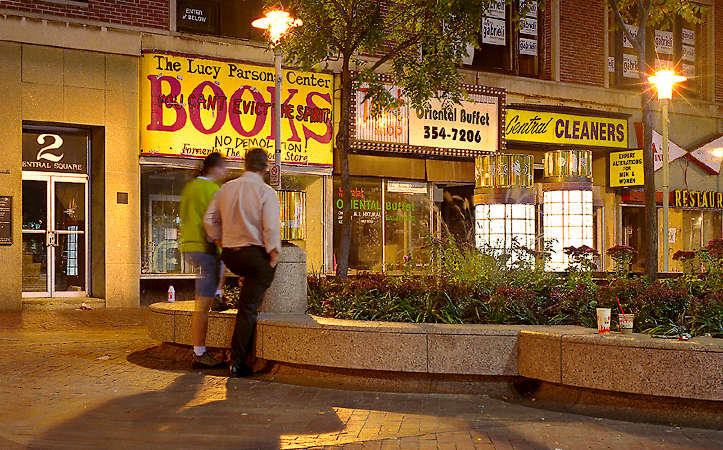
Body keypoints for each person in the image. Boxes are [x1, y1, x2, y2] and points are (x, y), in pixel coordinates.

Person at [204, 147, 281, 378]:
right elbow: (270, 228)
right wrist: (273, 255)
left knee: (247, 294)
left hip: (230, 254)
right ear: (265, 168)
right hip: (255, 255)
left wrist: (219, 238)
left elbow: (209, 219)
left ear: (245, 165)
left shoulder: (226, 189)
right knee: (248, 308)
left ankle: (244, 278)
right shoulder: (266, 192)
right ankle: (238, 362)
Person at [179, 152, 228, 369]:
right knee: (203, 307)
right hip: (206, 248)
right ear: (215, 169)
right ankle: (199, 352)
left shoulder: (190, 187)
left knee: (203, 299)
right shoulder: (213, 190)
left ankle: (218, 295)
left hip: (190, 246)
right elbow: (216, 220)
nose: (225, 172)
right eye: (223, 167)